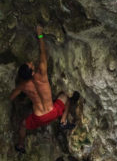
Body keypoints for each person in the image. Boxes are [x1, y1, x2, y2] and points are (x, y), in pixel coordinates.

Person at [10, 25, 79, 153]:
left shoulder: (23, 85)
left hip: (39, 117)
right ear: (31, 72)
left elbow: (11, 97)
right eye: (29, 65)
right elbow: (43, 53)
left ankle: (20, 145)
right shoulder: (41, 73)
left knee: (24, 125)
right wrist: (40, 35)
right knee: (65, 96)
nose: (30, 62)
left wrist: (19, 98)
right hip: (52, 112)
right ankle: (63, 121)